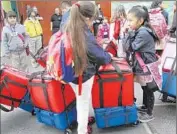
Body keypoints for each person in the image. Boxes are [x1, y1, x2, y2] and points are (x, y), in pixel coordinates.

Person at [64, 2, 112, 134]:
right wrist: (109, 56)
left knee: (81, 99)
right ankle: (82, 130)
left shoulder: (68, 25)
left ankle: (83, 120)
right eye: (93, 19)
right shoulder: (83, 33)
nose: (92, 22)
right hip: (82, 75)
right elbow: (100, 57)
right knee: (83, 103)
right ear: (87, 18)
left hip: (68, 72)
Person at [122, 6, 161, 122]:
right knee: (145, 88)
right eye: (127, 20)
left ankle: (149, 113)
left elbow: (130, 47)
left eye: (131, 20)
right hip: (144, 65)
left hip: (146, 66)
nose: (128, 23)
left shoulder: (143, 32)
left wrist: (128, 34)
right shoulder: (139, 30)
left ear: (140, 21)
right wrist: (130, 33)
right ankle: (145, 107)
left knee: (148, 89)